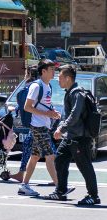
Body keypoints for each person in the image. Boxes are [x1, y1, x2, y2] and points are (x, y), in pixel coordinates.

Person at [46, 65, 100, 205]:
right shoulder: (70, 92)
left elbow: (75, 115)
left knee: (84, 165)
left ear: (68, 78)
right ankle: (60, 191)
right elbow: (70, 115)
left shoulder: (77, 93)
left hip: (79, 137)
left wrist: (61, 129)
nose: (58, 80)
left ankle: (93, 196)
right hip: (71, 137)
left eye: (60, 78)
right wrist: (61, 127)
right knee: (60, 160)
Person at [18, 59, 60, 197]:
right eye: (51, 69)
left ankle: (24, 185)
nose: (54, 72)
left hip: (44, 125)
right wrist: (47, 113)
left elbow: (44, 104)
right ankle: (60, 187)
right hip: (38, 126)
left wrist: (52, 112)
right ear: (43, 71)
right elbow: (27, 107)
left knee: (35, 156)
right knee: (50, 155)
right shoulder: (36, 86)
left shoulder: (48, 86)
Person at [10, 67, 38, 183]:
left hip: (36, 123)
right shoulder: (41, 85)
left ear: (28, 74)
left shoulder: (31, 87)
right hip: (38, 123)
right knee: (30, 147)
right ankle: (21, 174)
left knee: (50, 152)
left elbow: (27, 104)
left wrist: (17, 109)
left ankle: (59, 180)